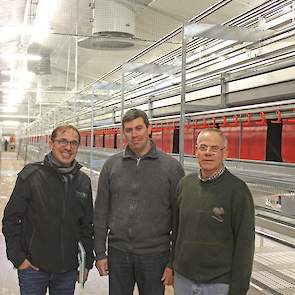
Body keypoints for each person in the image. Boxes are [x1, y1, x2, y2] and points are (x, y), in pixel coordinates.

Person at [94, 108, 185, 295]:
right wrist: (100, 253)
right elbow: (101, 212)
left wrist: (172, 262)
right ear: (123, 133)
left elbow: (179, 221)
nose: (134, 134)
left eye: (138, 128)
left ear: (149, 129)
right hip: (118, 252)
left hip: (155, 255)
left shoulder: (171, 168)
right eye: (128, 130)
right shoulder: (111, 166)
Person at [2, 124, 94, 295]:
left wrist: (87, 262)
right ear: (51, 143)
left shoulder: (83, 182)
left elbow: (86, 225)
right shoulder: (31, 176)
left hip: (67, 270)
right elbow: (11, 219)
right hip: (33, 268)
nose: (68, 147)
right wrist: (18, 258)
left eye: (74, 143)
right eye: (62, 141)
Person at [173, 128, 255, 295]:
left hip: (219, 284)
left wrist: (239, 288)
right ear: (196, 151)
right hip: (183, 279)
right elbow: (176, 231)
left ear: (225, 153)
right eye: (203, 147)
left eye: (214, 148)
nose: (208, 153)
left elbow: (245, 244)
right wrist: (172, 266)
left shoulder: (238, 191)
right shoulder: (184, 185)